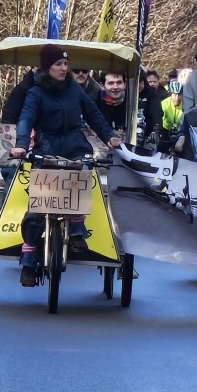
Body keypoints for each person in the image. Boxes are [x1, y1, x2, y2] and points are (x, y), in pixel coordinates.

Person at [9, 45, 121, 286]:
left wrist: (109, 136)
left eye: (65, 64)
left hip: (74, 145)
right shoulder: (36, 93)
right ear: (47, 67)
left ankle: (78, 228)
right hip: (45, 146)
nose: (63, 68)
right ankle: (28, 260)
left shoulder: (75, 90)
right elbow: (25, 118)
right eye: (58, 64)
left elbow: (93, 115)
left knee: (81, 174)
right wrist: (21, 145)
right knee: (36, 212)